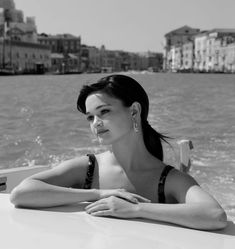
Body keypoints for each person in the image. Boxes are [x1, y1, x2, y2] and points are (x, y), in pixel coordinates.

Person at [10, 74, 227, 230]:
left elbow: (214, 215)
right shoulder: (87, 168)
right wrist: (99, 194)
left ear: (134, 111)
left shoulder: (168, 179)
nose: (95, 123)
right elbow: (21, 193)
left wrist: (135, 209)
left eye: (103, 112)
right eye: (90, 117)